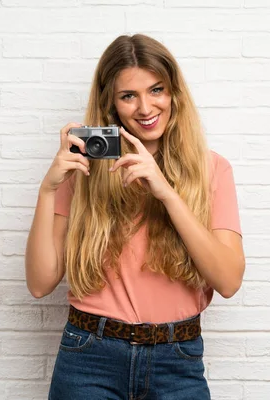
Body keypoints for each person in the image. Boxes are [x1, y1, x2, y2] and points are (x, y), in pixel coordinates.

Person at [25, 33, 245, 400]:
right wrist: (47, 190)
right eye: (129, 95)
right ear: (111, 104)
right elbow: (39, 283)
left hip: (177, 359)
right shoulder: (86, 168)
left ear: (174, 93)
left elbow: (228, 281)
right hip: (89, 358)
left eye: (156, 90)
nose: (145, 108)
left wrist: (166, 192)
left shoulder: (212, 169)